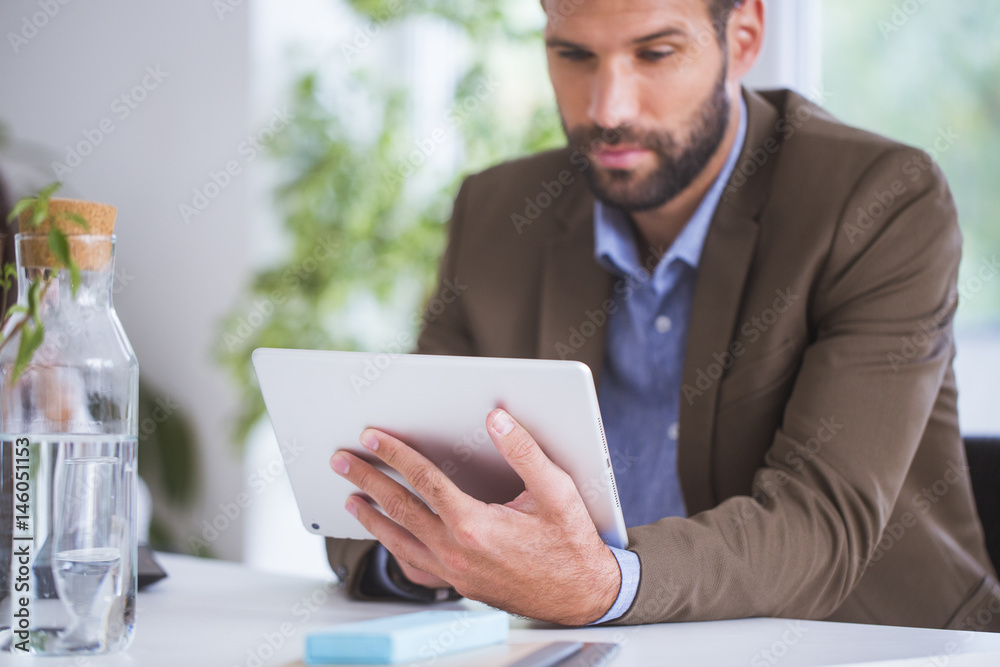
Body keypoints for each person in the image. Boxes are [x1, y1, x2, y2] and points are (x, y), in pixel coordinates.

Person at [325, 0, 1000, 630]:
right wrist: (424, 551)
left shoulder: (877, 202)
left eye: (654, 54)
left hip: (873, 644)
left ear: (743, 39)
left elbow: (823, 523)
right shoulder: (498, 210)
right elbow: (383, 485)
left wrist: (603, 582)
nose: (607, 108)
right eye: (575, 56)